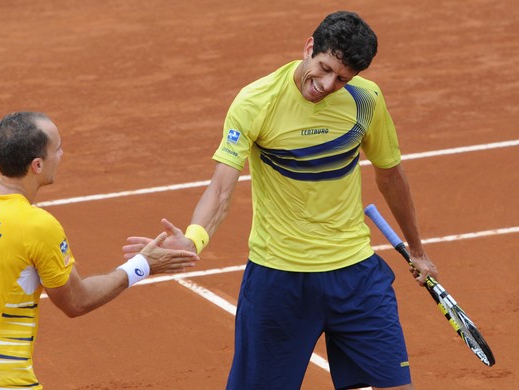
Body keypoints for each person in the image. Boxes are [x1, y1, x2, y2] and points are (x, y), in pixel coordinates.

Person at [123, 11, 438, 390]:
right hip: (280, 280)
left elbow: (390, 175)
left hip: (355, 275)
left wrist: (417, 249)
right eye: (323, 68)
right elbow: (222, 189)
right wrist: (193, 239)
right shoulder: (257, 102)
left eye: (341, 79)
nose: (325, 84)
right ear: (308, 48)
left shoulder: (366, 100)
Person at [0, 111, 199, 389]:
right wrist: (143, 265)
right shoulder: (37, 226)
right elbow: (77, 301)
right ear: (37, 165)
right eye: (57, 148)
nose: (62, 154)